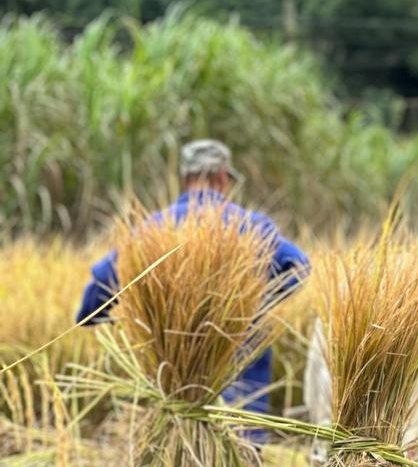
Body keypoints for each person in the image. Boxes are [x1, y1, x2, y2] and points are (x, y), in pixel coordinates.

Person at [76, 139, 310, 420]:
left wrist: (132, 314)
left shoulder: (153, 229)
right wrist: (253, 303)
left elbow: (99, 287)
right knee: (243, 460)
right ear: (223, 177)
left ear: (185, 178)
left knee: (172, 461)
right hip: (241, 404)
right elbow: (298, 266)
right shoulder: (251, 227)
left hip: (173, 410)